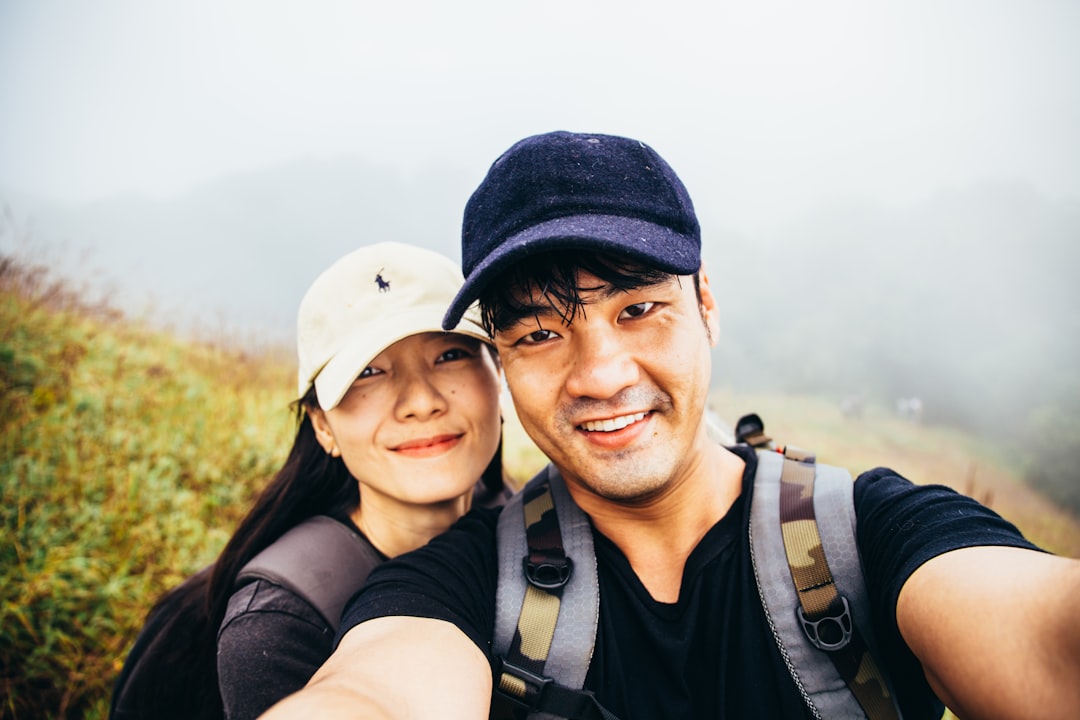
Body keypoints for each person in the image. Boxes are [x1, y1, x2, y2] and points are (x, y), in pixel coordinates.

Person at [262, 132, 1080, 719]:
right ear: (503, 365)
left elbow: (1041, 636)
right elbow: (376, 690)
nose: (602, 374)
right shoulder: (462, 586)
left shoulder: (872, 534)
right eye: (540, 334)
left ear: (707, 308)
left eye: (639, 308)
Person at [110, 242, 507, 720]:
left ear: (499, 374)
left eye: (451, 355)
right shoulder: (280, 622)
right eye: (370, 372)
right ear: (321, 424)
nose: (421, 401)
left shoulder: (538, 520)